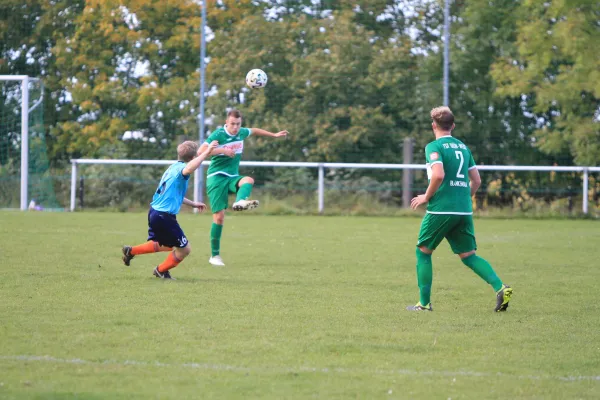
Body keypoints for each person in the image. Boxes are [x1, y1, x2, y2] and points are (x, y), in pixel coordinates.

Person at [408, 106, 512, 312]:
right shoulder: (463, 148)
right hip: (463, 210)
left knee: (423, 252)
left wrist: (426, 197)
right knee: (468, 255)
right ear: (453, 126)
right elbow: (477, 180)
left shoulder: (433, 146)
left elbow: (438, 174)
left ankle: (424, 304)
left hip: (441, 210)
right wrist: (464, 197)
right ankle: (500, 288)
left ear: (433, 126)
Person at [198, 109, 288, 266]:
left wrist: (273, 135)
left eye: (238, 124)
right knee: (219, 217)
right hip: (216, 178)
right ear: (226, 123)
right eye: (232, 124)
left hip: (232, 176)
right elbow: (200, 151)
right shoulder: (218, 134)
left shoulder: (242, 132)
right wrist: (222, 150)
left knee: (248, 180)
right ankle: (214, 256)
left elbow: (254, 130)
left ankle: (240, 201)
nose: (235, 127)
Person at [121, 139, 218, 279]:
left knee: (166, 245)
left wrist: (193, 204)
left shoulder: (172, 167)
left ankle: (131, 251)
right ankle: (161, 270)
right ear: (192, 158)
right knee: (185, 249)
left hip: (154, 212)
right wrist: (207, 153)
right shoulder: (182, 170)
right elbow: (190, 168)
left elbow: (173, 195)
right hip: (163, 216)